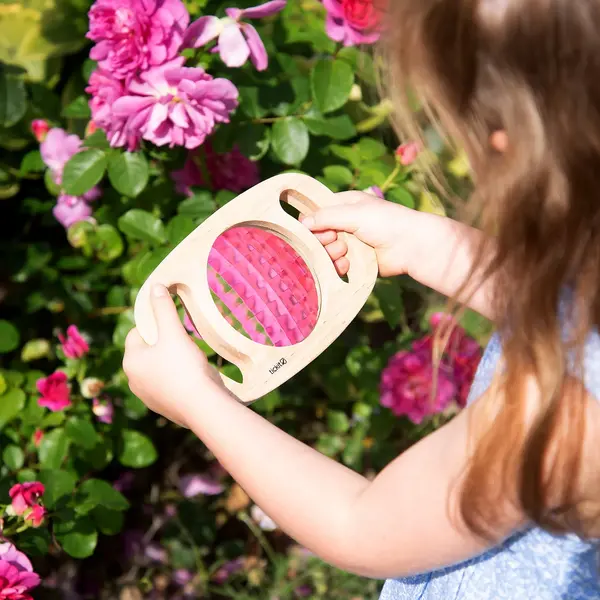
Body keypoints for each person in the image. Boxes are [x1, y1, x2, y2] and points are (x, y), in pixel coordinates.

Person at [122, 1, 600, 598]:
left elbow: (361, 526)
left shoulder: (561, 422)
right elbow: (568, 314)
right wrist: (428, 244)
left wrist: (199, 400)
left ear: (510, 145)